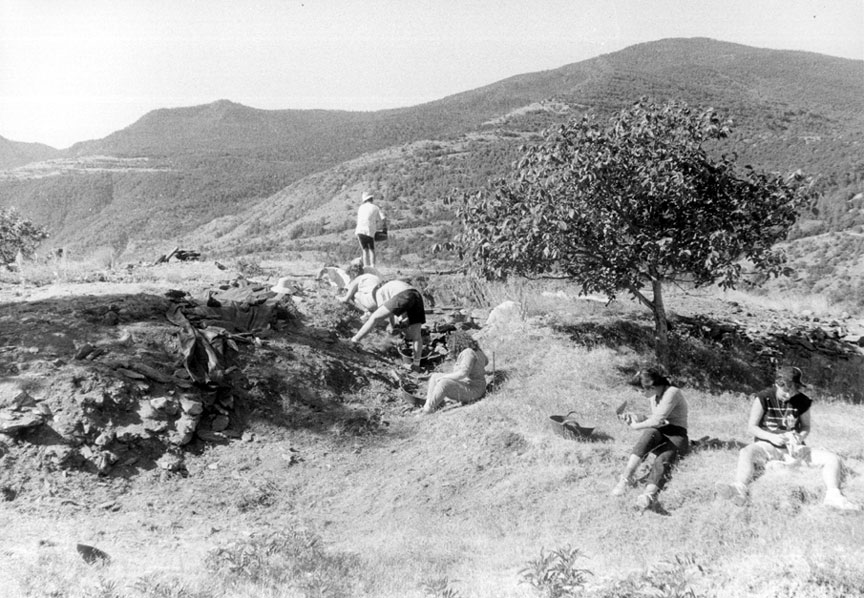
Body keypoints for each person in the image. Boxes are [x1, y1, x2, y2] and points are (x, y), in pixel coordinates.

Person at [715, 366, 859, 510]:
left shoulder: (803, 401)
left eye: (793, 390)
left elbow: (806, 427)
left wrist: (798, 437)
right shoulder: (763, 397)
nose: (789, 395)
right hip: (768, 445)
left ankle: (833, 496)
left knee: (832, 458)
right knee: (746, 452)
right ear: (777, 384)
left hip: (794, 448)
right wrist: (772, 437)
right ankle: (739, 489)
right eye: (785, 390)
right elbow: (752, 427)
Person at [611, 365, 689, 511]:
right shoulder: (655, 396)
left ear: (651, 387)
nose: (640, 394)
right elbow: (656, 418)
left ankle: (648, 495)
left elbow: (656, 420)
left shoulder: (672, 392)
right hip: (662, 429)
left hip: (677, 434)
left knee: (664, 458)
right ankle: (626, 478)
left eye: (640, 390)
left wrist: (635, 426)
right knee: (648, 434)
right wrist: (637, 417)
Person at [349, 280, 425, 369]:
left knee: (374, 318)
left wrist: (392, 326)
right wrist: (399, 324)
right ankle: (416, 365)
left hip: (404, 295)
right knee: (417, 336)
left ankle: (354, 341)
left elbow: (386, 313)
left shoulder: (379, 291)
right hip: (417, 296)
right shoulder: (395, 286)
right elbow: (401, 311)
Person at [421, 331, 488, 414]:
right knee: (435, 376)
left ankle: (428, 409)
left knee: (444, 383)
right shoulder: (477, 350)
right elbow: (486, 362)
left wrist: (445, 377)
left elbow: (463, 374)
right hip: (474, 386)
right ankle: (428, 403)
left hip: (474, 390)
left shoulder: (468, 353)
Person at [355, 191, 384, 268]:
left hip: (360, 231)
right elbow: (383, 218)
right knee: (371, 249)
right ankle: (372, 266)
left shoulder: (360, 207)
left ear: (364, 200)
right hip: (369, 231)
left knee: (365, 250)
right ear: (371, 199)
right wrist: (384, 228)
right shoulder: (375, 207)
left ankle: (365, 267)